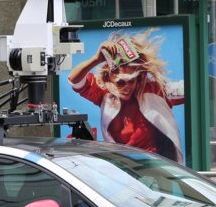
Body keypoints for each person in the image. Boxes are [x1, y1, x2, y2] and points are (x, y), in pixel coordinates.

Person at [68, 29, 184, 162]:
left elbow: (190, 88)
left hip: (159, 165)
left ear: (138, 78)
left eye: (131, 81)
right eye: (121, 82)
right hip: (126, 167)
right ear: (109, 78)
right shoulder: (104, 95)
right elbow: (74, 80)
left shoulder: (154, 89)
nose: (127, 87)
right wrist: (96, 59)